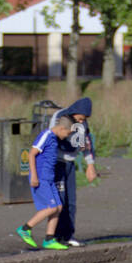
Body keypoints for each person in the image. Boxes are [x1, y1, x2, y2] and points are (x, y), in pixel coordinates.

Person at [15, 115, 73, 251]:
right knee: (51, 208)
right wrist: (34, 175)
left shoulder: (54, 138)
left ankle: (49, 239)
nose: (66, 136)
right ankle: (25, 229)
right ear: (62, 128)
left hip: (49, 178)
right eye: (67, 133)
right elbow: (31, 154)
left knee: (58, 207)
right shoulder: (46, 135)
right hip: (40, 177)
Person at [49, 97, 98, 246]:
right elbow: (51, 137)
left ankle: (68, 235)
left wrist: (90, 165)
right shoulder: (60, 117)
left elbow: (86, 143)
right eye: (80, 118)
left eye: (84, 120)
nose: (82, 121)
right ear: (74, 112)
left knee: (71, 201)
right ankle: (56, 236)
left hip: (70, 163)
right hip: (57, 162)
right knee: (60, 200)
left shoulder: (82, 124)